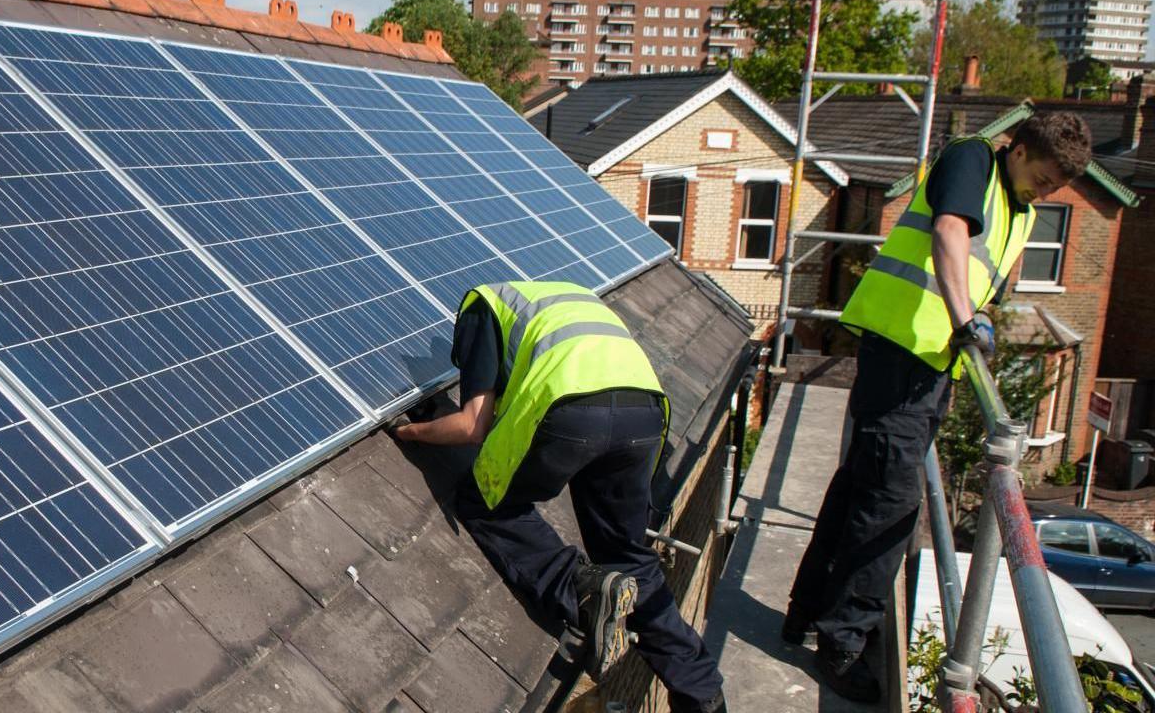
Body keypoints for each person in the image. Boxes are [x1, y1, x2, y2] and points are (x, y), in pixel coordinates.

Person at [785, 112, 1093, 702]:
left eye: (1057, 188)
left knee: (862, 490)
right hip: (904, 353)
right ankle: (844, 640)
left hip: (928, 366)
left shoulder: (1018, 209)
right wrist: (964, 319)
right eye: (1044, 177)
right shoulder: (973, 159)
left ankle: (807, 615)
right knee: (892, 506)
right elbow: (949, 229)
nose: (1045, 192)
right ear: (1020, 149)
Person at [393, 281, 726, 713]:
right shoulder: (564, 295)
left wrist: (408, 431)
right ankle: (702, 692)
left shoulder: (479, 308)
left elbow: (474, 424)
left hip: (572, 409)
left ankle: (583, 590)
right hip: (644, 413)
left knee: (487, 504)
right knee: (626, 554)